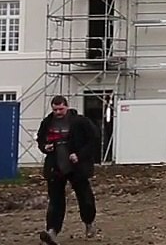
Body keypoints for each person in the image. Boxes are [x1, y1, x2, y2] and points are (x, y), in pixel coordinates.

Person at [36, 95, 100, 244]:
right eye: (55, 109)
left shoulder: (80, 121)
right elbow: (40, 139)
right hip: (55, 166)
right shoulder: (47, 122)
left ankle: (89, 222)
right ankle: (51, 231)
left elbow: (94, 139)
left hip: (77, 167)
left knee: (85, 197)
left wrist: (80, 155)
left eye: (61, 109)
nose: (58, 112)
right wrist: (45, 147)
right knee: (55, 201)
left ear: (67, 106)